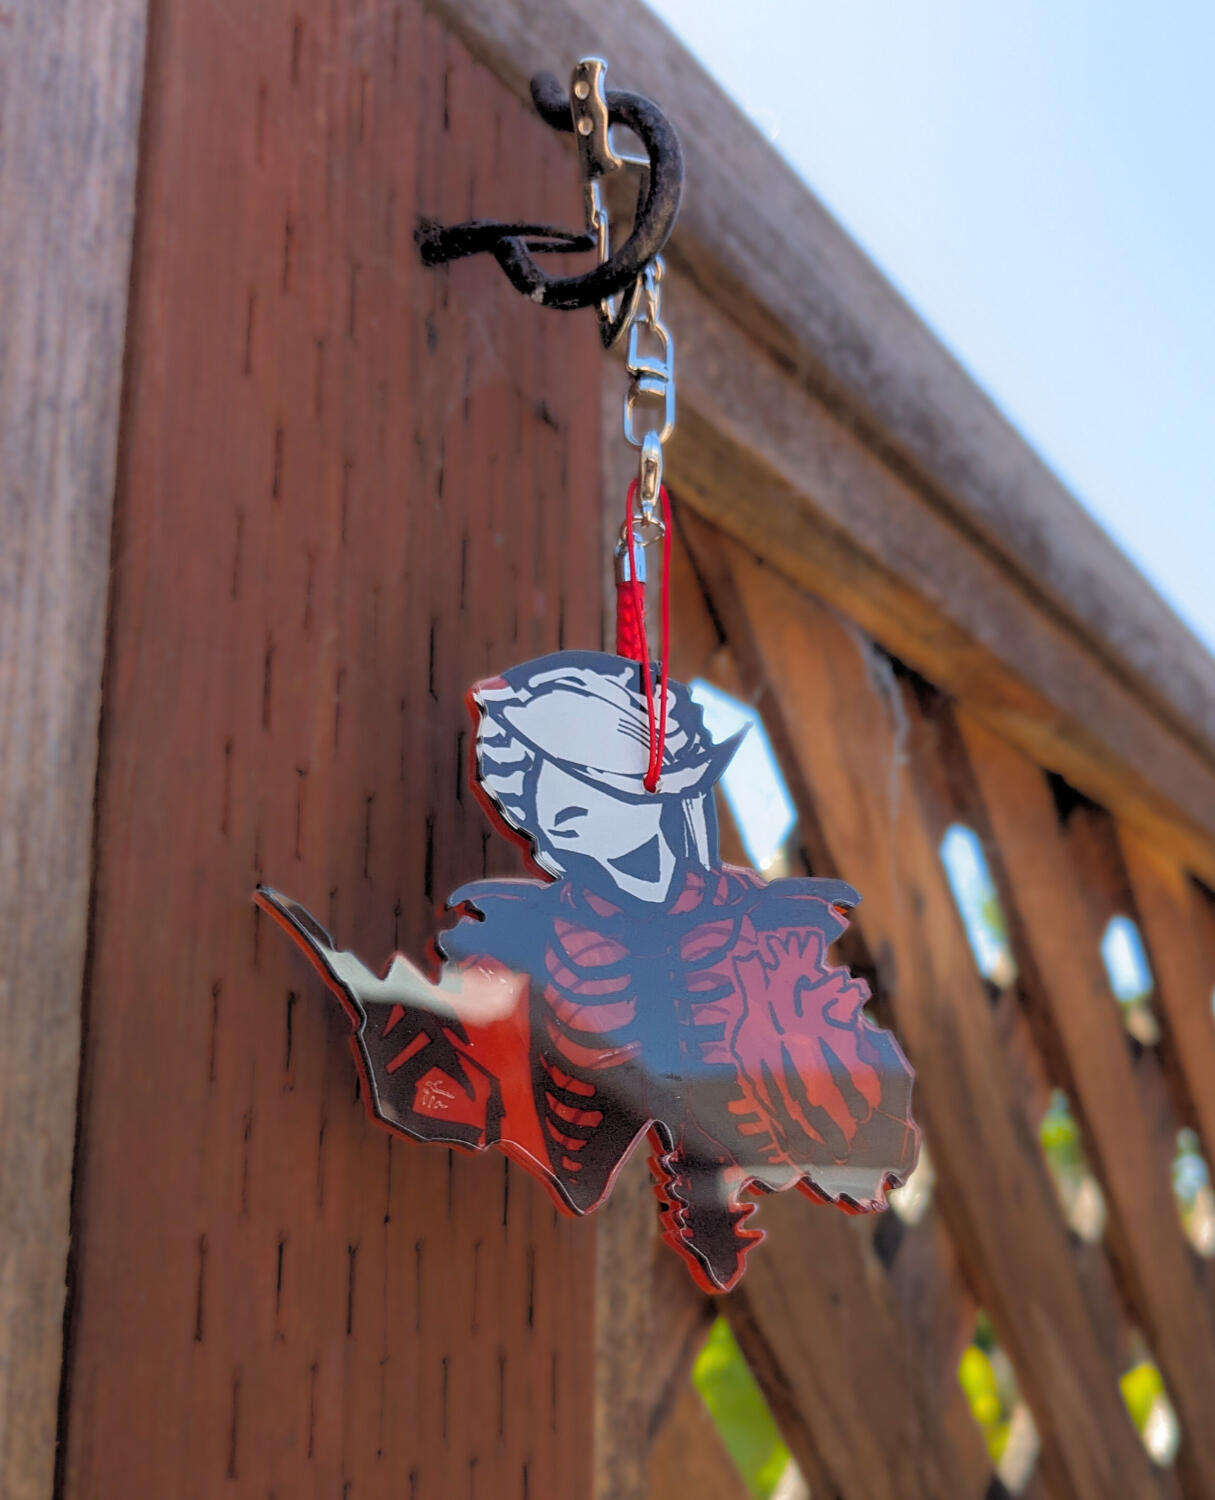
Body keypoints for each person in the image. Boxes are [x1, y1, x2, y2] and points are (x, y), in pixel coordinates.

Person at [257, 650, 917, 1291]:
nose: (548, 816)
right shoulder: (523, 939)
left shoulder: (765, 933)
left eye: (577, 792)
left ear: (658, 781)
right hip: (552, 1151)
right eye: (536, 796)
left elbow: (853, 1098)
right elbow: (454, 1066)